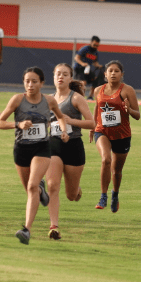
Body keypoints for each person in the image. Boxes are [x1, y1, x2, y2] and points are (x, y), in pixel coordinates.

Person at [0, 67, 68, 244]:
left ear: (42, 83)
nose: (30, 84)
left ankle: (27, 229)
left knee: (32, 186)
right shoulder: (17, 100)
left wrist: (64, 131)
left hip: (42, 148)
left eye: (34, 81)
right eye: (27, 81)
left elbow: (60, 116)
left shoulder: (49, 101)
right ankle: (41, 190)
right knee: (31, 190)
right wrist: (18, 124)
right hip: (21, 149)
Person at [44, 63, 95, 240]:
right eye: (58, 74)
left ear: (70, 78)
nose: (61, 77)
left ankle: (76, 189)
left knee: (71, 195)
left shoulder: (76, 99)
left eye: (65, 74)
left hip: (73, 146)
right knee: (52, 185)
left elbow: (91, 123)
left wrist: (70, 121)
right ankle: (54, 227)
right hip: (54, 145)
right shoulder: (48, 99)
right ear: (53, 77)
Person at [91, 60, 140, 212]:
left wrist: (128, 110)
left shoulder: (127, 90)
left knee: (116, 171)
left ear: (122, 74)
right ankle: (103, 196)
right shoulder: (98, 90)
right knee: (106, 159)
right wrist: (92, 127)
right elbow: (97, 108)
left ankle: (115, 194)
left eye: (116, 71)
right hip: (102, 131)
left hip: (122, 135)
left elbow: (137, 115)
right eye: (110, 71)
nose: (113, 73)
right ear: (105, 74)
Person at [73, 36, 103, 100]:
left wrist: (99, 66)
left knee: (95, 80)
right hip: (79, 68)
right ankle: (80, 97)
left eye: (97, 45)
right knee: (83, 82)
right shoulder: (85, 49)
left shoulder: (96, 52)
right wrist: (82, 63)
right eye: (94, 45)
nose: (95, 47)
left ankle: (90, 96)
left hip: (87, 69)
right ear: (91, 42)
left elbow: (95, 62)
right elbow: (76, 58)